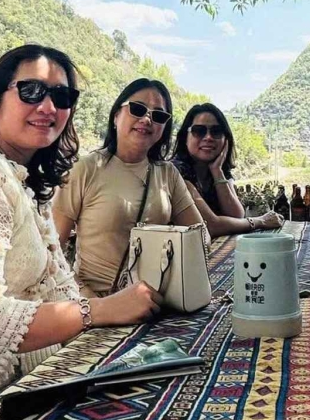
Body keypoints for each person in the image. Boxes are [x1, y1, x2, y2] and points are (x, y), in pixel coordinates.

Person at [0, 46, 159, 420]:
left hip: (17, 393)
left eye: (62, 96)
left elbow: (58, 286)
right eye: (31, 91)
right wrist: (101, 309)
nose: (48, 107)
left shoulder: (21, 180)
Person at [54, 78, 206, 296]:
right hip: (96, 302)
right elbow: (52, 251)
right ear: (116, 115)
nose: (147, 119)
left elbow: (199, 237)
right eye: (137, 109)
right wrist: (89, 298)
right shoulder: (85, 169)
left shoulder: (168, 174)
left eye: (158, 115)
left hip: (153, 302)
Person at [172, 103, 283, 237]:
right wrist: (260, 221)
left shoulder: (220, 171)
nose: (208, 137)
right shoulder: (175, 173)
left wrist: (217, 171)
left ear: (226, 140)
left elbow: (236, 216)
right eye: (199, 131)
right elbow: (209, 226)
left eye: (216, 131)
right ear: (185, 138)